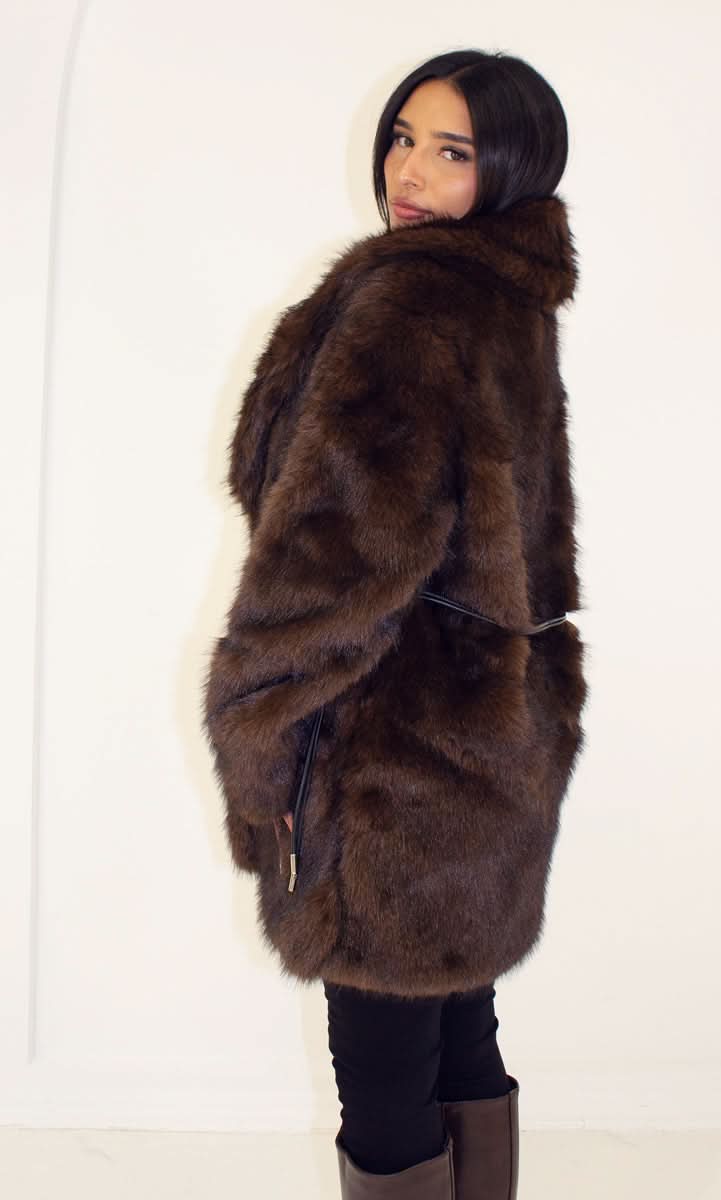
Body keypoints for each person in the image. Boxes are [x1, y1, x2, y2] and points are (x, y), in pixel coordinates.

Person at [202, 47, 588, 1199]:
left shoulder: (409, 303)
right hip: (486, 744)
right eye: (403, 138)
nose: (409, 171)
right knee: (455, 1029)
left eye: (450, 151)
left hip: (384, 759)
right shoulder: (508, 303)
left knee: (381, 1085)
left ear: (509, 167)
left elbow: (333, 563)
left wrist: (258, 735)